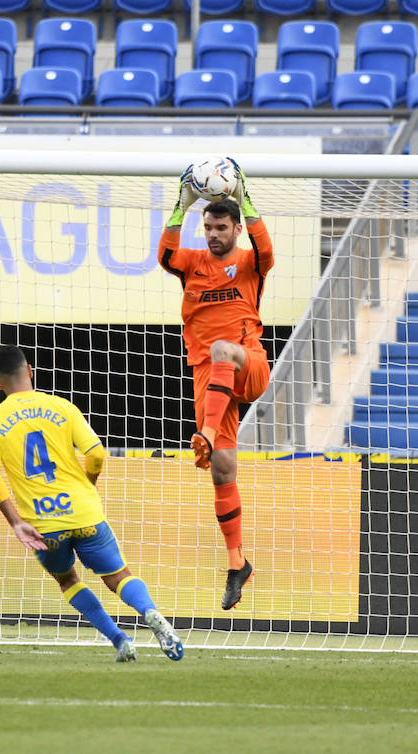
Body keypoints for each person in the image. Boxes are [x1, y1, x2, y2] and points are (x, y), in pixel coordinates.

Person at [0, 346, 183, 662]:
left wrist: (16, 521)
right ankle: (149, 611)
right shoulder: (63, 407)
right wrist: (87, 486)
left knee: (68, 579)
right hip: (85, 513)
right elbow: (97, 454)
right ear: (29, 370)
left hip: (44, 525)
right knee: (118, 576)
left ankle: (120, 641)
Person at [157, 160, 273, 611]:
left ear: (236, 228)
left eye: (220, 226)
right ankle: (237, 563)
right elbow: (165, 257)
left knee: (224, 348)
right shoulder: (192, 265)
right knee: (223, 471)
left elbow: (267, 249)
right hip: (209, 381)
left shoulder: (249, 264)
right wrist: (180, 208)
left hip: (248, 362)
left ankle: (204, 434)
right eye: (207, 226)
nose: (212, 234)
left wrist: (245, 194)